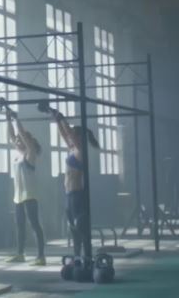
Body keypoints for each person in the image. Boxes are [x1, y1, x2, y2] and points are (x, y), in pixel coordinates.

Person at [44, 101, 99, 259]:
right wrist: (56, 118)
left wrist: (61, 117)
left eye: (73, 135)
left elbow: (68, 132)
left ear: (79, 137)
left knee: (81, 228)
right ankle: (77, 257)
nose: (70, 137)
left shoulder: (81, 151)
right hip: (68, 195)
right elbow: (64, 134)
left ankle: (87, 256)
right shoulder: (73, 149)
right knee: (73, 229)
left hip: (77, 195)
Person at [1, 101, 46, 266]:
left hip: (30, 195)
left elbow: (21, 134)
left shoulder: (30, 154)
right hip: (18, 196)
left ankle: (41, 256)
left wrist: (16, 118)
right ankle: (20, 254)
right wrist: (8, 118)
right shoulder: (19, 155)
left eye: (22, 140)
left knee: (34, 225)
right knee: (19, 225)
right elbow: (12, 137)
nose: (18, 141)